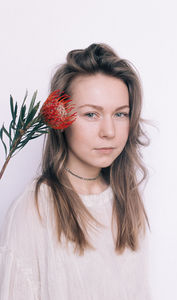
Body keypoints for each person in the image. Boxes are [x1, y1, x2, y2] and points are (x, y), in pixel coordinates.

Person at [0, 43, 152, 299]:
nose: (109, 132)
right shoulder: (35, 208)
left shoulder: (127, 199)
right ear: (61, 120)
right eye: (91, 114)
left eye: (120, 114)